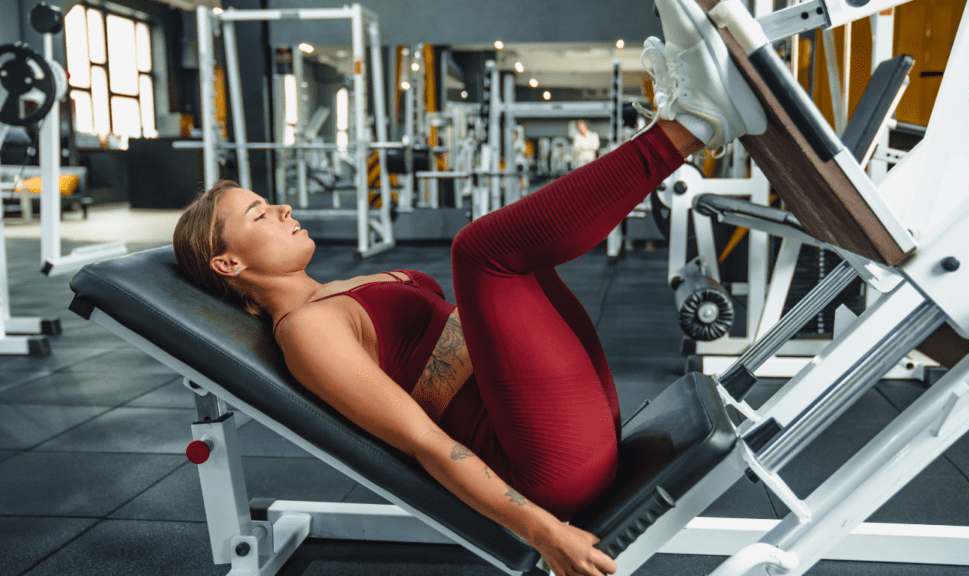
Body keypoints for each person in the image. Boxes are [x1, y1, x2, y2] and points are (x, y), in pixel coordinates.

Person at [172, 1, 765, 574]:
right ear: (228, 264)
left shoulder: (337, 293)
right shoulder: (305, 329)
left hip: (566, 422)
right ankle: (690, 126)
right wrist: (545, 532)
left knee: (521, 251)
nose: (279, 206)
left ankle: (689, 119)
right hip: (545, 465)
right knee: (480, 252)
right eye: (257, 215)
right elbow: (425, 443)